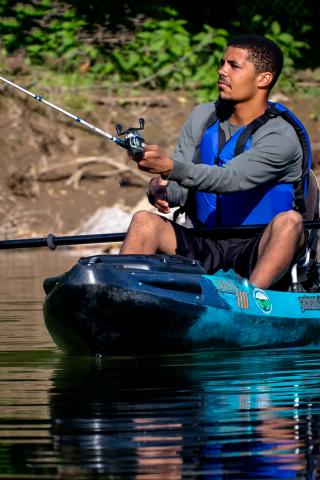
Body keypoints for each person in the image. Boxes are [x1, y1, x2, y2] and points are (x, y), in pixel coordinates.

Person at [120, 34, 318, 291]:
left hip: (258, 246)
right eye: (223, 62)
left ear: (264, 79)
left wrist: (170, 167)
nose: (221, 71)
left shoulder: (281, 137)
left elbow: (229, 179)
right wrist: (160, 188)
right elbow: (181, 189)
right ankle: (119, 295)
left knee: (290, 222)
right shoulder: (202, 117)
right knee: (143, 221)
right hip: (205, 240)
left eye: (233, 66)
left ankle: (250, 302)